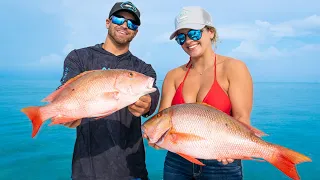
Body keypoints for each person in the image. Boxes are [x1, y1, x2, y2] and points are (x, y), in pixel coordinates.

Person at [145, 6, 253, 180]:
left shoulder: (234, 68)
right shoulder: (173, 76)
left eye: (194, 33)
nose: (188, 41)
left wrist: (232, 149)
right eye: (181, 37)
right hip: (177, 161)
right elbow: (161, 120)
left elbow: (242, 118)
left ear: (210, 32)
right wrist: (155, 140)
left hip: (221, 162)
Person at [59, 1, 160, 180]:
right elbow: (65, 90)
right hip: (87, 170)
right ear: (108, 22)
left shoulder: (143, 70)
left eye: (132, 23)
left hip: (132, 170)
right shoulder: (79, 58)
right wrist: (65, 113)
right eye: (119, 19)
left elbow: (152, 93)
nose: (124, 25)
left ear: (136, 31)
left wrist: (148, 104)